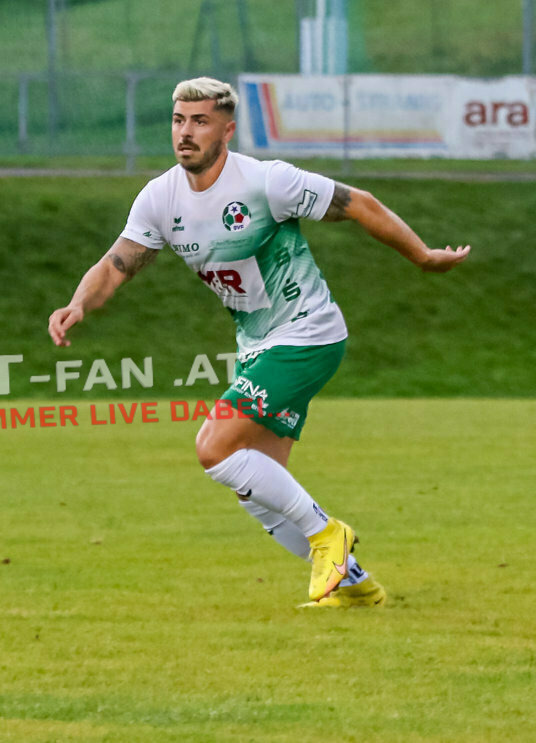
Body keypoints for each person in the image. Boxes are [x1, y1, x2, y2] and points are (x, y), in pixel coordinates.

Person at [47, 77, 470, 608]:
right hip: (258, 345)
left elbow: (358, 202)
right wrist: (78, 303)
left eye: (199, 121)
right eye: (179, 120)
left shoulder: (269, 183)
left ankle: (328, 537)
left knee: (214, 446)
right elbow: (117, 264)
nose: (185, 132)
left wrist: (424, 256)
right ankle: (355, 584)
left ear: (227, 128)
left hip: (308, 333)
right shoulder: (160, 197)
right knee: (260, 486)